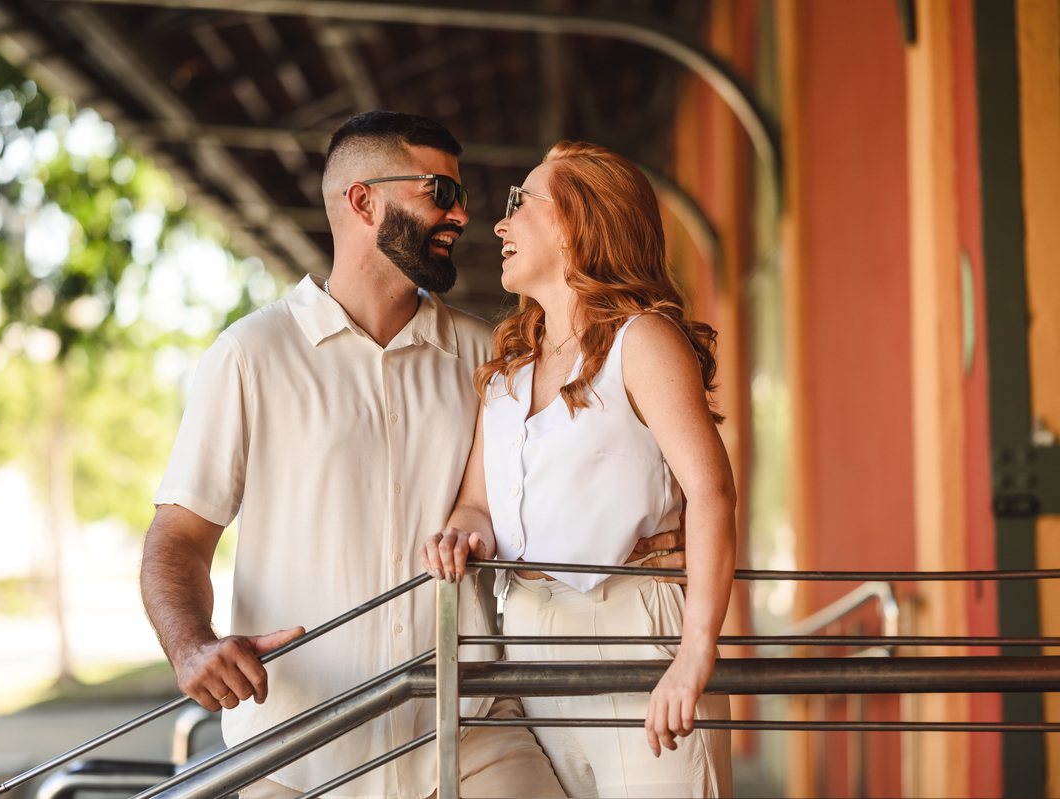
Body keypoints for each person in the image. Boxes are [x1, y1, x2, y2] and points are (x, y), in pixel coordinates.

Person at [140, 114, 685, 799]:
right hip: (295, 753)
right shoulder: (249, 356)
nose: (462, 214)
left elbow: (592, 457)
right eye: (440, 191)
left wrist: (654, 538)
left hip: (471, 733)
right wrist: (191, 644)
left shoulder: (494, 356)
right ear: (364, 201)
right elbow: (179, 536)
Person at [419, 141, 735, 798]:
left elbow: (712, 491)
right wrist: (461, 532)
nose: (500, 225)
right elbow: (477, 503)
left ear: (576, 222)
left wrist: (694, 651)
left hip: (634, 636)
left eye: (520, 203)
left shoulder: (642, 341)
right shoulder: (507, 373)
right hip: (530, 640)